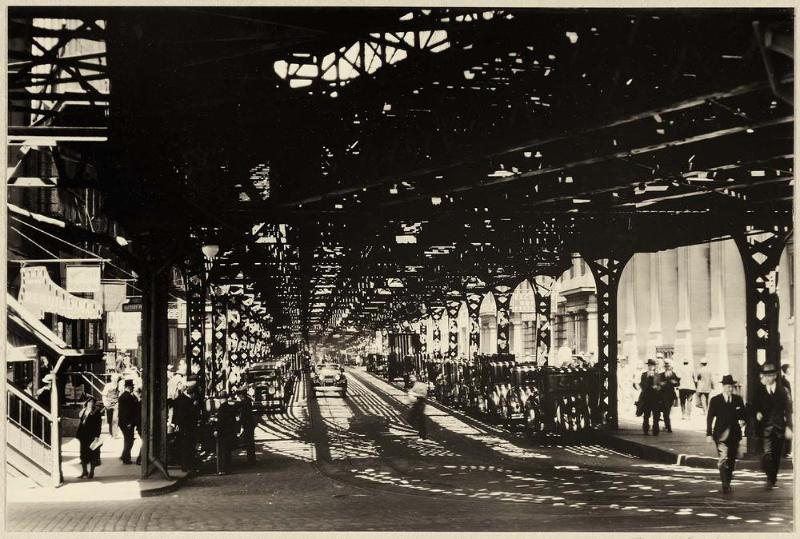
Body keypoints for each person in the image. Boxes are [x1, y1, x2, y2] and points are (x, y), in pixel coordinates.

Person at [753, 363, 793, 489]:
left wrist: (789, 427)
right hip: (765, 428)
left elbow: (788, 410)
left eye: (771, 375)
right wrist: (757, 412)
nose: (768, 378)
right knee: (767, 454)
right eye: (766, 375)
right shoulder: (759, 390)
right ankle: (769, 477)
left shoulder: (783, 391)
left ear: (775, 375)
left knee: (776, 456)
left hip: (779, 428)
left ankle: (772, 478)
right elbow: (753, 405)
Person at [706, 375, 746, 493]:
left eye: (732, 387)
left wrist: (743, 420)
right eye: (728, 387)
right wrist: (708, 433)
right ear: (723, 387)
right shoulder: (715, 400)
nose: (730, 389)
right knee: (723, 459)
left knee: (732, 460)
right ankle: (725, 483)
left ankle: (728, 480)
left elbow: (743, 414)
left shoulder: (738, 399)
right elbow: (709, 418)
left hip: (734, 435)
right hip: (720, 435)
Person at [173, 379, 200, 473]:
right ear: (192, 393)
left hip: (184, 427)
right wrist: (194, 407)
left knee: (186, 447)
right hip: (187, 428)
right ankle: (187, 466)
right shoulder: (187, 401)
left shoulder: (180, 398)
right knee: (187, 447)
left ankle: (187, 465)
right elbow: (185, 415)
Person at [75, 396, 103, 479]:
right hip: (83, 435)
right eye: (89, 402)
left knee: (92, 454)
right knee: (83, 454)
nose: (91, 404)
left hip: (91, 435)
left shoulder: (96, 412)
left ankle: (91, 472)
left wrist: (97, 436)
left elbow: (98, 425)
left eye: (92, 402)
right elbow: (81, 422)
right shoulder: (83, 411)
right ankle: (84, 472)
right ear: (86, 403)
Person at [214, 392, 238, 475]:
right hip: (229, 432)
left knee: (222, 451)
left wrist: (217, 430)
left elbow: (220, 422)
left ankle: (222, 469)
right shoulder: (230, 407)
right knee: (227, 451)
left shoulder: (221, 408)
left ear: (221, 399)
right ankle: (228, 468)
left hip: (223, 432)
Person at [117, 379, 138, 464]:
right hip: (127, 422)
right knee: (129, 440)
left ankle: (126, 458)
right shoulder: (127, 396)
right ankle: (124, 456)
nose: (133, 387)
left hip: (124, 422)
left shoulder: (124, 395)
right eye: (132, 386)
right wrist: (128, 423)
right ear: (129, 387)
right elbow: (126, 411)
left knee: (128, 440)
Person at [638, 359, 661, 436]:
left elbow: (660, 386)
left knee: (656, 415)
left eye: (652, 365)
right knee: (646, 415)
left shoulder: (658, 375)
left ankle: (655, 430)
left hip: (655, 397)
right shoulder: (644, 374)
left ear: (654, 366)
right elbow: (641, 384)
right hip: (646, 397)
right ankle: (646, 429)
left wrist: (657, 388)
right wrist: (645, 387)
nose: (651, 367)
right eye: (649, 365)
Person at [657, 360, 680, 433]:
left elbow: (677, 383)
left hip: (670, 396)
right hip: (662, 396)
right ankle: (668, 427)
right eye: (666, 367)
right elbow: (658, 385)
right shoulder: (661, 375)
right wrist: (661, 384)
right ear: (665, 368)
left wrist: (675, 382)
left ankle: (667, 426)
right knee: (665, 412)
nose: (668, 368)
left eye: (669, 367)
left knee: (667, 412)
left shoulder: (673, 375)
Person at [237, 388, 257, 464]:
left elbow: (242, 413)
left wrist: (239, 421)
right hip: (250, 424)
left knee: (249, 442)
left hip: (248, 424)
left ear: (242, 395)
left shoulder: (244, 402)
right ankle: (252, 459)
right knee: (250, 442)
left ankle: (251, 460)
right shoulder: (248, 400)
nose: (239, 397)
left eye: (239, 396)